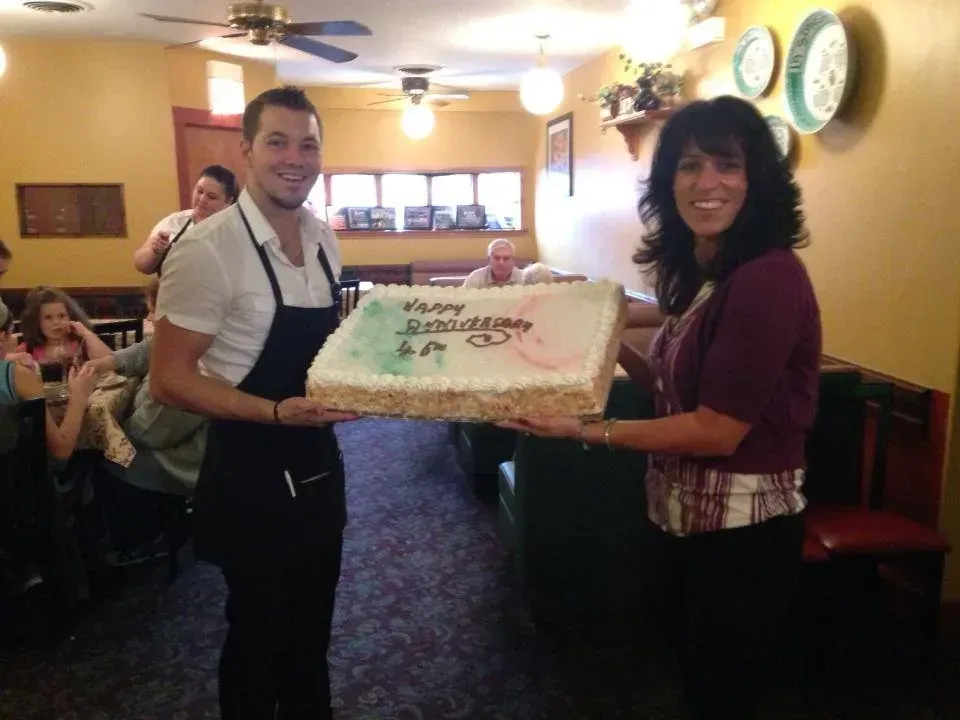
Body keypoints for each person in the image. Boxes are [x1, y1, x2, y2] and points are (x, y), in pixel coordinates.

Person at [500, 96, 821, 720]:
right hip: (681, 519)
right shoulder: (709, 275)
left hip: (742, 536)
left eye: (727, 165)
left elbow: (717, 430)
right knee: (693, 676)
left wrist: (588, 430)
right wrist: (603, 338)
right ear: (667, 180)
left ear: (757, 178)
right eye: (689, 165)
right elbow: (669, 390)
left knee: (723, 692)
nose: (706, 183)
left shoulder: (769, 278)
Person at [150, 86, 357, 720]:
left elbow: (325, 354)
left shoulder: (324, 240)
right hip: (250, 472)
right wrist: (271, 410)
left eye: (308, 144)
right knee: (258, 636)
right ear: (246, 150)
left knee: (311, 635)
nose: (295, 158)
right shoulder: (206, 251)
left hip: (318, 462)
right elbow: (169, 380)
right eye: (277, 141)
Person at [84, 279, 207, 565]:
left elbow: (152, 432)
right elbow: (146, 349)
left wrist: (118, 433)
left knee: (111, 462)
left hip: (186, 458)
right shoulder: (182, 338)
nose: (149, 319)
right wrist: (109, 362)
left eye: (154, 311)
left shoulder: (192, 361)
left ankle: (145, 539)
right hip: (176, 441)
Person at [133, 165, 239, 275]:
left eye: (211, 197)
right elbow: (140, 265)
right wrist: (155, 252)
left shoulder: (236, 231)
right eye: (200, 191)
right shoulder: (174, 221)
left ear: (228, 202)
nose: (202, 199)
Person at [16, 286, 113, 366]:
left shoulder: (82, 344)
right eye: (48, 317)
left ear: (70, 317)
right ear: (36, 321)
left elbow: (111, 364)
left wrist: (86, 333)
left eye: (62, 316)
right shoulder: (27, 349)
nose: (56, 322)